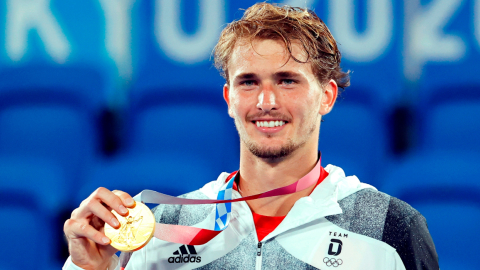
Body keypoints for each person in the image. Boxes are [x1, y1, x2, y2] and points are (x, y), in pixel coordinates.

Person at [63, 3, 439, 270]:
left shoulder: (389, 228)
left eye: (287, 80)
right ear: (229, 99)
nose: (266, 101)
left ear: (326, 96)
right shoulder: (167, 227)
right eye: (248, 82)